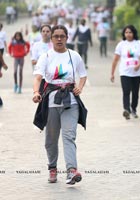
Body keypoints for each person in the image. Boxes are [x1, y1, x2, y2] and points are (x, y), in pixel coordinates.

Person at [32, 25, 87, 185]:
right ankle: (52, 168)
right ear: (51, 39)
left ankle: (71, 171)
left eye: (62, 36)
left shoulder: (74, 55)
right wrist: (36, 92)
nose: (59, 39)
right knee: (51, 138)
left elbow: (83, 75)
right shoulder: (46, 56)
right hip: (51, 102)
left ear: (67, 38)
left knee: (69, 136)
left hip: (70, 101)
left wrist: (80, 87)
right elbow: (37, 78)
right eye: (56, 36)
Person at [110, 25, 140, 119]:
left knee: (135, 93)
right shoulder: (121, 44)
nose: (128, 34)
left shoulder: (139, 43)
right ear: (124, 34)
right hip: (125, 72)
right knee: (126, 91)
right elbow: (115, 60)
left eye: (130, 32)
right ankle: (126, 110)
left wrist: (138, 65)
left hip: (136, 73)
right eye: (126, 32)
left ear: (133, 33)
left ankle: (133, 109)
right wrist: (112, 73)